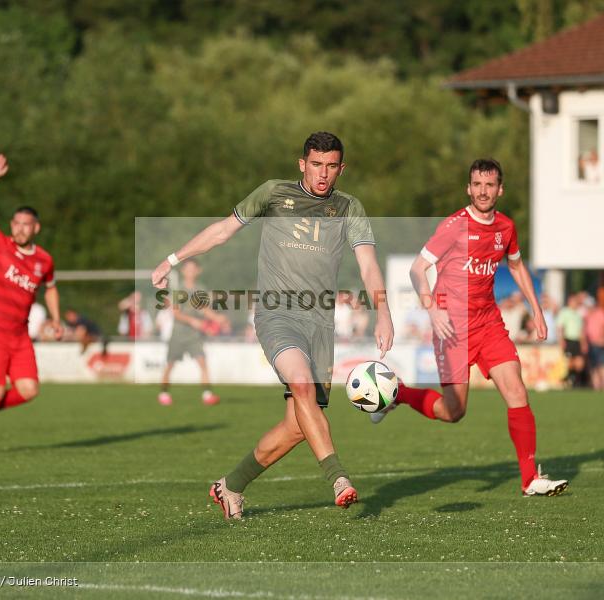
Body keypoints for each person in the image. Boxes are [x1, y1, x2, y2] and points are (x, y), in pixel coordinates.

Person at [151, 132, 394, 518]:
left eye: (331, 166)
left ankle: (229, 486)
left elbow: (367, 263)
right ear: (302, 164)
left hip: (320, 326)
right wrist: (172, 259)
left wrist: (383, 312)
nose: (323, 174)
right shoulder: (273, 193)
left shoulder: (349, 207)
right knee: (301, 385)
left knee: (297, 427)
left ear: (341, 168)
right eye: (316, 164)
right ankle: (338, 477)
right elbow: (222, 231)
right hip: (276, 314)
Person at [375, 158, 567, 497]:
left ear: (500, 189)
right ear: (469, 188)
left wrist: (536, 310)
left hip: (489, 322)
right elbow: (417, 270)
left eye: (489, 185)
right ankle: (398, 393)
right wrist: (432, 310)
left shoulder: (506, 227)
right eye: (477, 185)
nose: (483, 191)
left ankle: (530, 479)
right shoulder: (454, 226)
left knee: (517, 392)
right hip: (452, 327)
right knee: (454, 412)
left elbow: (518, 266)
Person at [0, 154, 62, 459]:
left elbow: (51, 288)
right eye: (17, 223)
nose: (20, 229)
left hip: (19, 335)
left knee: (30, 390)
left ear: (36, 228)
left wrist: (56, 319)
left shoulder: (44, 260)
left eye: (26, 225)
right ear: (12, 225)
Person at [158, 259, 229, 406]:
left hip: (195, 335)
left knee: (202, 362)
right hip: (178, 334)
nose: (190, 272)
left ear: (198, 271)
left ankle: (207, 395)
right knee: (170, 364)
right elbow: (176, 314)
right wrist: (193, 321)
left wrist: (217, 318)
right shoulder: (178, 290)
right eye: (187, 269)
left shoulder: (201, 289)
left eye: (193, 269)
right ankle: (164, 393)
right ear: (183, 271)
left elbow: (203, 310)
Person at [557, 294, 587, 387]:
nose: (576, 303)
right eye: (574, 301)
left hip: (577, 341)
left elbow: (581, 330)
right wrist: (561, 340)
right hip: (568, 340)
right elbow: (561, 327)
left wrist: (583, 343)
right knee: (570, 362)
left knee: (580, 363)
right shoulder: (564, 312)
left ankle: (575, 380)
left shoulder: (578, 314)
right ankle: (570, 380)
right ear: (569, 302)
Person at [584, 301, 604, 391]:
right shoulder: (587, 315)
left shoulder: (601, 313)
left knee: (603, 365)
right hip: (591, 344)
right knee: (593, 366)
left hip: (601, 344)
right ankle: (597, 387)